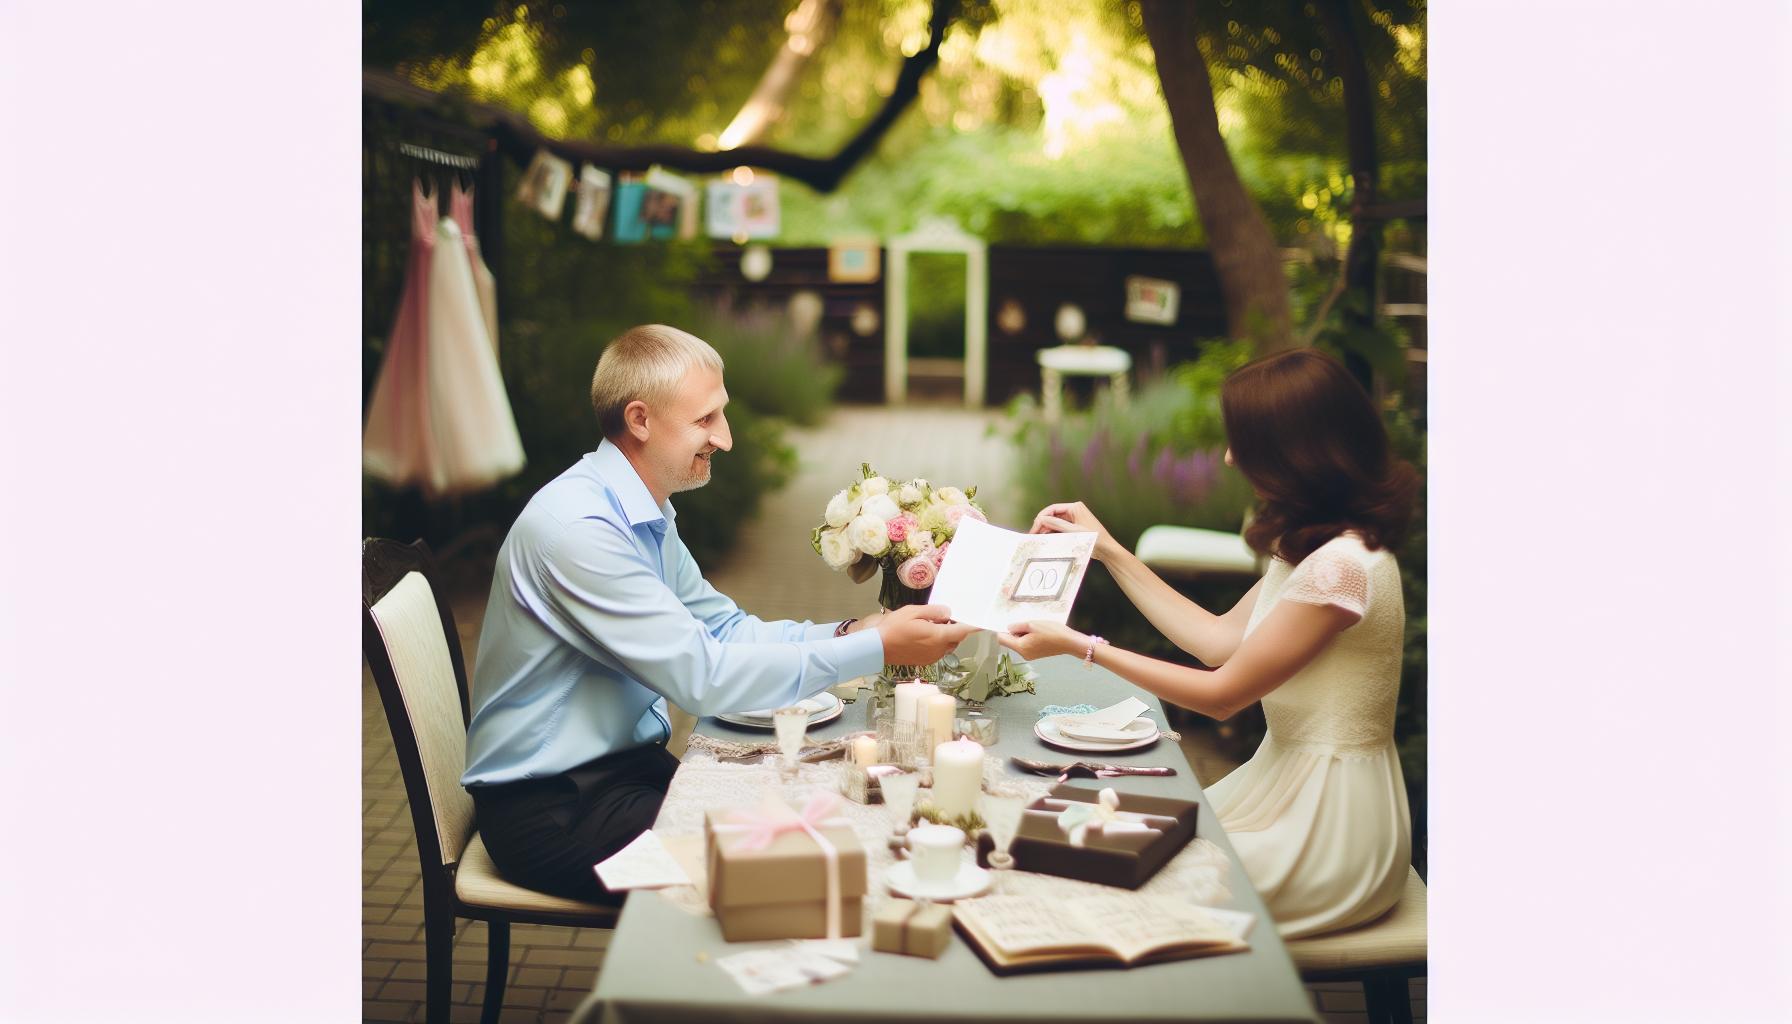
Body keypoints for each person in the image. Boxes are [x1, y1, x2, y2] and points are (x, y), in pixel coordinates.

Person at [461, 324, 975, 903]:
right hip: (552, 810)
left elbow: (726, 630)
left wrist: (857, 630)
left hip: (623, 773)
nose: (725, 439)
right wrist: (879, 649)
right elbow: (703, 678)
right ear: (640, 420)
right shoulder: (580, 531)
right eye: (706, 420)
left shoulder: (639, 508)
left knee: (810, 808)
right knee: (787, 869)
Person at [998, 348, 1419, 937]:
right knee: (1079, 836)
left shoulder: (1341, 568)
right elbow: (1218, 640)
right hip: (1283, 789)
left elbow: (1222, 695)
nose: (1226, 456)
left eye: (1241, 443)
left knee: (1109, 878)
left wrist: (1079, 646)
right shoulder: (1322, 545)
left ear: (1294, 453)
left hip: (1329, 826)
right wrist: (1109, 550)